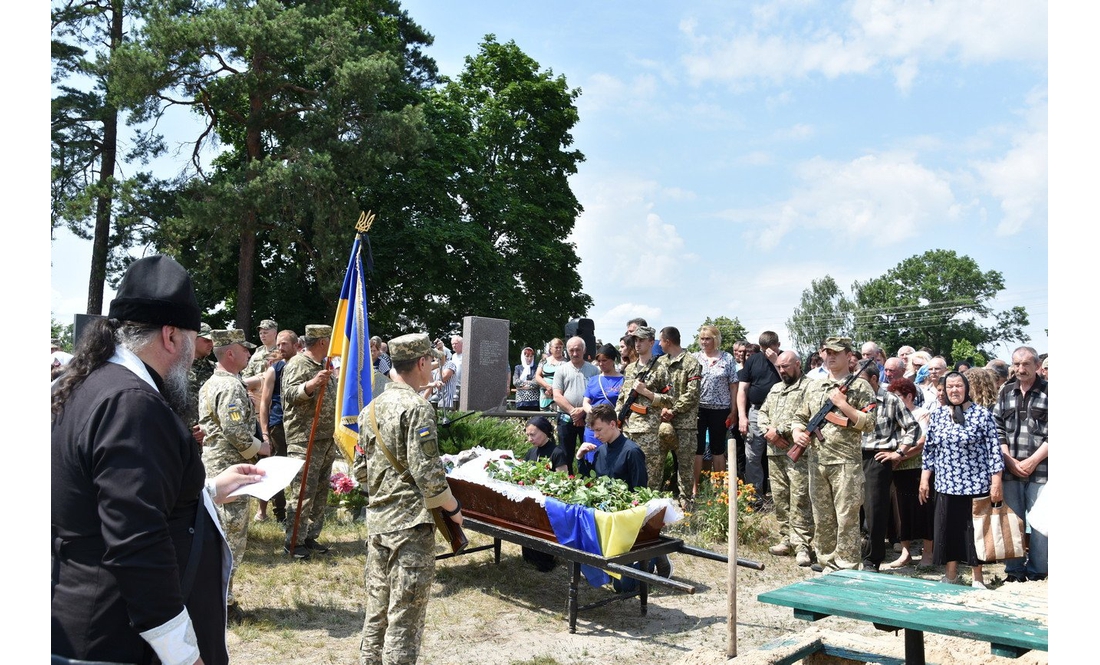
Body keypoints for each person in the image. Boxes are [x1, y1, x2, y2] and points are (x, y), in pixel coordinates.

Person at [51, 255, 264, 665]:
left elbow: (106, 496)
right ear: (171, 336)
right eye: (191, 340)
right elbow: (137, 542)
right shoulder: (133, 404)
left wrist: (209, 490)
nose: (192, 355)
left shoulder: (89, 384)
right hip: (114, 639)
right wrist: (183, 654)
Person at [355, 333, 462, 665]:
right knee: (405, 618)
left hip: (379, 522)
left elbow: (360, 471)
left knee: (377, 611)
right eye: (431, 361)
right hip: (411, 528)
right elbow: (429, 476)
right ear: (420, 362)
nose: (432, 366)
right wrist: (454, 510)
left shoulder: (370, 409)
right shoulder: (417, 408)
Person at [199, 328, 269, 621]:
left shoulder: (214, 382)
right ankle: (222, 605)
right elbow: (236, 432)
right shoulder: (229, 387)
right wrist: (261, 448)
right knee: (230, 540)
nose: (249, 354)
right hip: (230, 471)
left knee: (222, 537)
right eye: (245, 349)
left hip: (218, 468)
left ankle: (218, 599)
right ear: (230, 353)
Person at [791, 337, 876, 572]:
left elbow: (869, 423)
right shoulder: (814, 385)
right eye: (827, 352)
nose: (830, 356)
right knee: (822, 516)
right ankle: (826, 561)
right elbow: (799, 416)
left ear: (848, 355)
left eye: (836, 352)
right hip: (817, 461)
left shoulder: (861, 387)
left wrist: (843, 404)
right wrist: (798, 432)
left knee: (847, 517)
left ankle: (846, 565)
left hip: (846, 462)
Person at [920, 371, 1004, 588]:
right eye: (950, 387)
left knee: (975, 532)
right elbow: (929, 450)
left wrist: (996, 482)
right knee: (949, 530)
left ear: (966, 388)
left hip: (975, 484)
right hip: (946, 484)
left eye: (958, 386)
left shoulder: (982, 415)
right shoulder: (937, 416)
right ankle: (951, 575)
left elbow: (994, 451)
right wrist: (924, 479)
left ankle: (978, 578)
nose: (954, 390)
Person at [281, 324, 338, 559]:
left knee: (319, 490)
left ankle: (309, 536)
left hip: (325, 437)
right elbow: (289, 395)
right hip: (305, 437)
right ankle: (293, 541)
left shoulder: (324, 365)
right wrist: (311, 384)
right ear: (323, 342)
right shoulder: (298, 364)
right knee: (303, 490)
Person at [993, 346, 1048, 583]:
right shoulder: (1006, 391)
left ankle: (1038, 571)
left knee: (1040, 523)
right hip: (1010, 469)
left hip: (1043, 470)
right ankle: (1014, 571)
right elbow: (997, 428)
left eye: (1026, 364)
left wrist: (1033, 460)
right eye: (1016, 364)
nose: (1020, 369)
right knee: (1012, 522)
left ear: (1037, 366)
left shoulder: (1051, 392)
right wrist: (1008, 459)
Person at [858, 364, 919, 571]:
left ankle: (872, 559)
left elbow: (912, 427)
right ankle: (848, 554)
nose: (859, 385)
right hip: (851, 456)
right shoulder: (853, 399)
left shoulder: (891, 400)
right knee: (849, 508)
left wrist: (899, 452)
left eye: (863, 380)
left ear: (875, 379)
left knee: (875, 510)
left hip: (877, 457)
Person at [757, 350, 814, 567]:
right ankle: (786, 539)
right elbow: (762, 413)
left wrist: (779, 430)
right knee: (780, 498)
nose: (782, 371)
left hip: (797, 453)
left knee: (799, 498)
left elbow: (806, 416)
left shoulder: (809, 386)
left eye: (786, 366)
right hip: (775, 452)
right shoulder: (776, 388)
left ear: (798, 365)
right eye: (779, 367)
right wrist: (768, 433)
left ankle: (803, 545)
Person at [882, 377, 934, 569]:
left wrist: (897, 456)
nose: (893, 400)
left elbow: (921, 443)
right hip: (898, 471)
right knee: (901, 513)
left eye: (897, 397)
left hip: (919, 470)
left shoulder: (922, 414)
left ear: (909, 396)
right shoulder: (892, 415)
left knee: (924, 510)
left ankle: (928, 553)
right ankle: (905, 553)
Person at [614, 326, 673, 490]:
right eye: (635, 340)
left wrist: (647, 393)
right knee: (625, 472)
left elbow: (669, 400)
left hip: (648, 430)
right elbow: (622, 396)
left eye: (641, 340)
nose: (637, 344)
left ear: (651, 342)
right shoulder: (630, 368)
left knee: (650, 475)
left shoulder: (661, 368)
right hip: (626, 428)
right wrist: (617, 417)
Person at [256, 329, 299, 523]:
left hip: (299, 427)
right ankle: (280, 513)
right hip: (278, 426)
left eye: (284, 344)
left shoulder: (302, 368)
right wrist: (265, 432)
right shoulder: (275, 369)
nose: (280, 348)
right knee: (277, 468)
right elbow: (264, 403)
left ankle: (297, 512)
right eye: (278, 344)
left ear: (296, 346)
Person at [656, 326, 702, 504]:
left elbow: (692, 394)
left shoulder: (691, 363)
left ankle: (686, 504)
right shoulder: (659, 363)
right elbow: (654, 389)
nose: (659, 344)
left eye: (660, 340)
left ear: (667, 341)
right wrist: (661, 409)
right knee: (656, 464)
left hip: (685, 423)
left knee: (684, 466)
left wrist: (673, 411)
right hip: (661, 421)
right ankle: (654, 504)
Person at [692, 324, 738, 496]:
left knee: (718, 449)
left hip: (721, 409)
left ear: (716, 339)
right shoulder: (695, 357)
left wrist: (733, 410)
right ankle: (695, 488)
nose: (704, 342)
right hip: (698, 408)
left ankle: (719, 490)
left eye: (708, 339)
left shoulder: (727, 358)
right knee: (698, 449)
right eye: (702, 339)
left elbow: (734, 385)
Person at [737, 331, 783, 505]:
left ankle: (780, 499)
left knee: (779, 455)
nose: (768, 353)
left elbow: (793, 383)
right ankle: (755, 498)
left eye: (771, 349)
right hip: (755, 412)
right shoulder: (753, 360)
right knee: (753, 456)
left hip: (779, 413)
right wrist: (742, 416)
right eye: (765, 350)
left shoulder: (784, 359)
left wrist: (776, 361)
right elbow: (742, 390)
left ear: (778, 345)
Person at [552, 336, 599, 468]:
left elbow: (597, 395)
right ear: (566, 351)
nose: (574, 353)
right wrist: (573, 412)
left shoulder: (594, 370)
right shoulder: (561, 370)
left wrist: (582, 411)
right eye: (571, 350)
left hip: (588, 418)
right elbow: (557, 395)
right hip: (566, 419)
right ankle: (567, 482)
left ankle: (589, 481)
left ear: (584, 350)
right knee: (565, 454)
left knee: (590, 452)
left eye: (578, 350)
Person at [576, 403, 647, 490]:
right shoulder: (600, 451)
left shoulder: (632, 452)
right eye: (593, 431)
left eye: (598, 430)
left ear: (612, 424)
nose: (595, 436)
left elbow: (640, 490)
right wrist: (580, 458)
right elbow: (590, 484)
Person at [581, 343, 625, 459]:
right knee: (593, 458)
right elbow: (585, 402)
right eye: (599, 361)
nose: (601, 364)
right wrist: (592, 413)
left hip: (612, 426)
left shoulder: (623, 380)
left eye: (604, 360)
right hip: (594, 427)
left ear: (613, 360)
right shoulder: (594, 380)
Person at [535, 338, 566, 411]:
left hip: (560, 396)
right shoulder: (544, 361)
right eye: (556, 347)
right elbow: (537, 376)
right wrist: (547, 386)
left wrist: (555, 390)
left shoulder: (566, 362)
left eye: (560, 347)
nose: (558, 349)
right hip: (545, 395)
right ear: (550, 348)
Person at [512, 346, 541, 411]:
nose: (529, 359)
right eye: (527, 356)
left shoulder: (536, 367)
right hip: (521, 400)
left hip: (534, 401)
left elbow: (536, 382)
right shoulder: (518, 368)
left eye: (531, 356)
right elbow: (515, 382)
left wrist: (521, 386)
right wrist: (529, 383)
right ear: (523, 356)